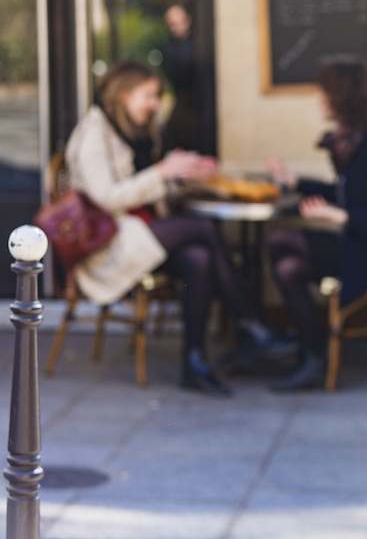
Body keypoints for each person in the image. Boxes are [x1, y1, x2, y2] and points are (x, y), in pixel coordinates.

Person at [65, 60, 297, 396]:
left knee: (199, 258)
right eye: (149, 96)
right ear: (124, 94)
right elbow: (105, 200)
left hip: (141, 234)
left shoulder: (140, 131)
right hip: (109, 245)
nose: (155, 104)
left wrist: (184, 174)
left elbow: (149, 190)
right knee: (202, 228)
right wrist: (162, 172)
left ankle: (195, 362)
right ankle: (248, 322)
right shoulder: (94, 134)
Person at [265, 57, 367, 391]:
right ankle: (314, 353)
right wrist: (295, 182)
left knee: (280, 239)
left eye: (326, 92)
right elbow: (344, 191)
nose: (321, 99)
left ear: (344, 97)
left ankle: (307, 349)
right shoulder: (353, 142)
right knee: (287, 267)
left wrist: (343, 217)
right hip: (353, 246)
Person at [161, 4, 200, 153]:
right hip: (183, 103)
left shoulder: (199, 43)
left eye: (179, 21)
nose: (176, 27)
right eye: (172, 24)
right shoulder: (169, 47)